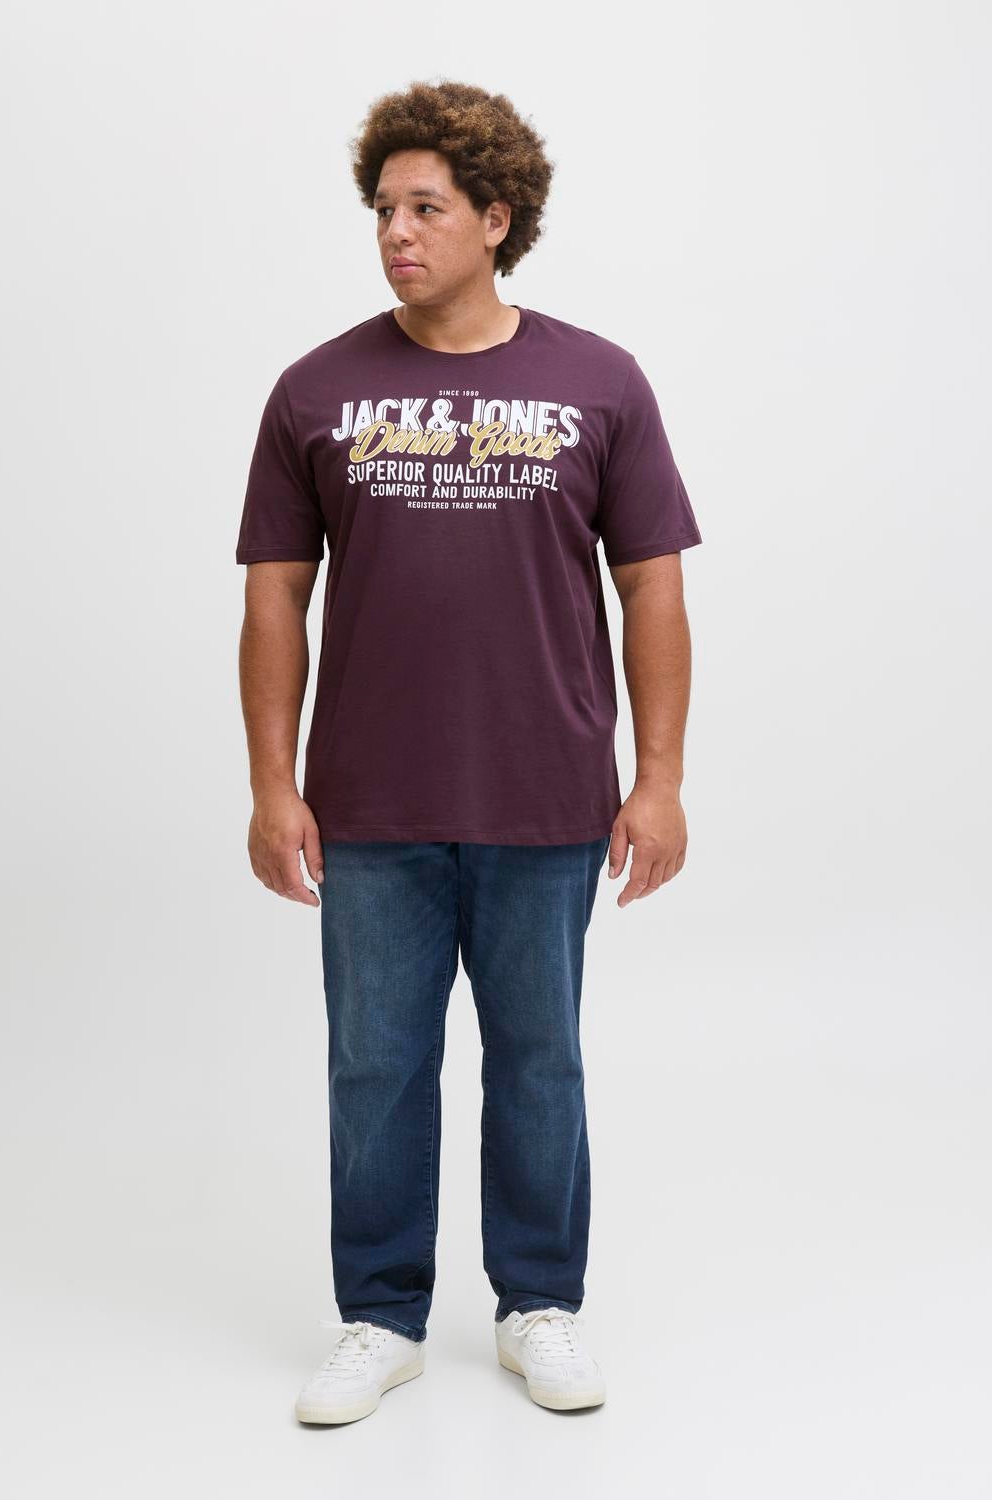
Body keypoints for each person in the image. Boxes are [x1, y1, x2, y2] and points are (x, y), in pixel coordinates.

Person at [235, 79, 702, 1424]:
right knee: (374, 1067)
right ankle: (379, 1317)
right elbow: (275, 596)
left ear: (497, 219)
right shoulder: (315, 389)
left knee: (538, 1060)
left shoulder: (597, 381)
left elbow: (652, 586)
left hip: (546, 794)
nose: (396, 232)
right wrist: (272, 786)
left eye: (426, 208)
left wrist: (660, 780)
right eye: (384, 208)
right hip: (370, 801)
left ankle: (538, 1304)